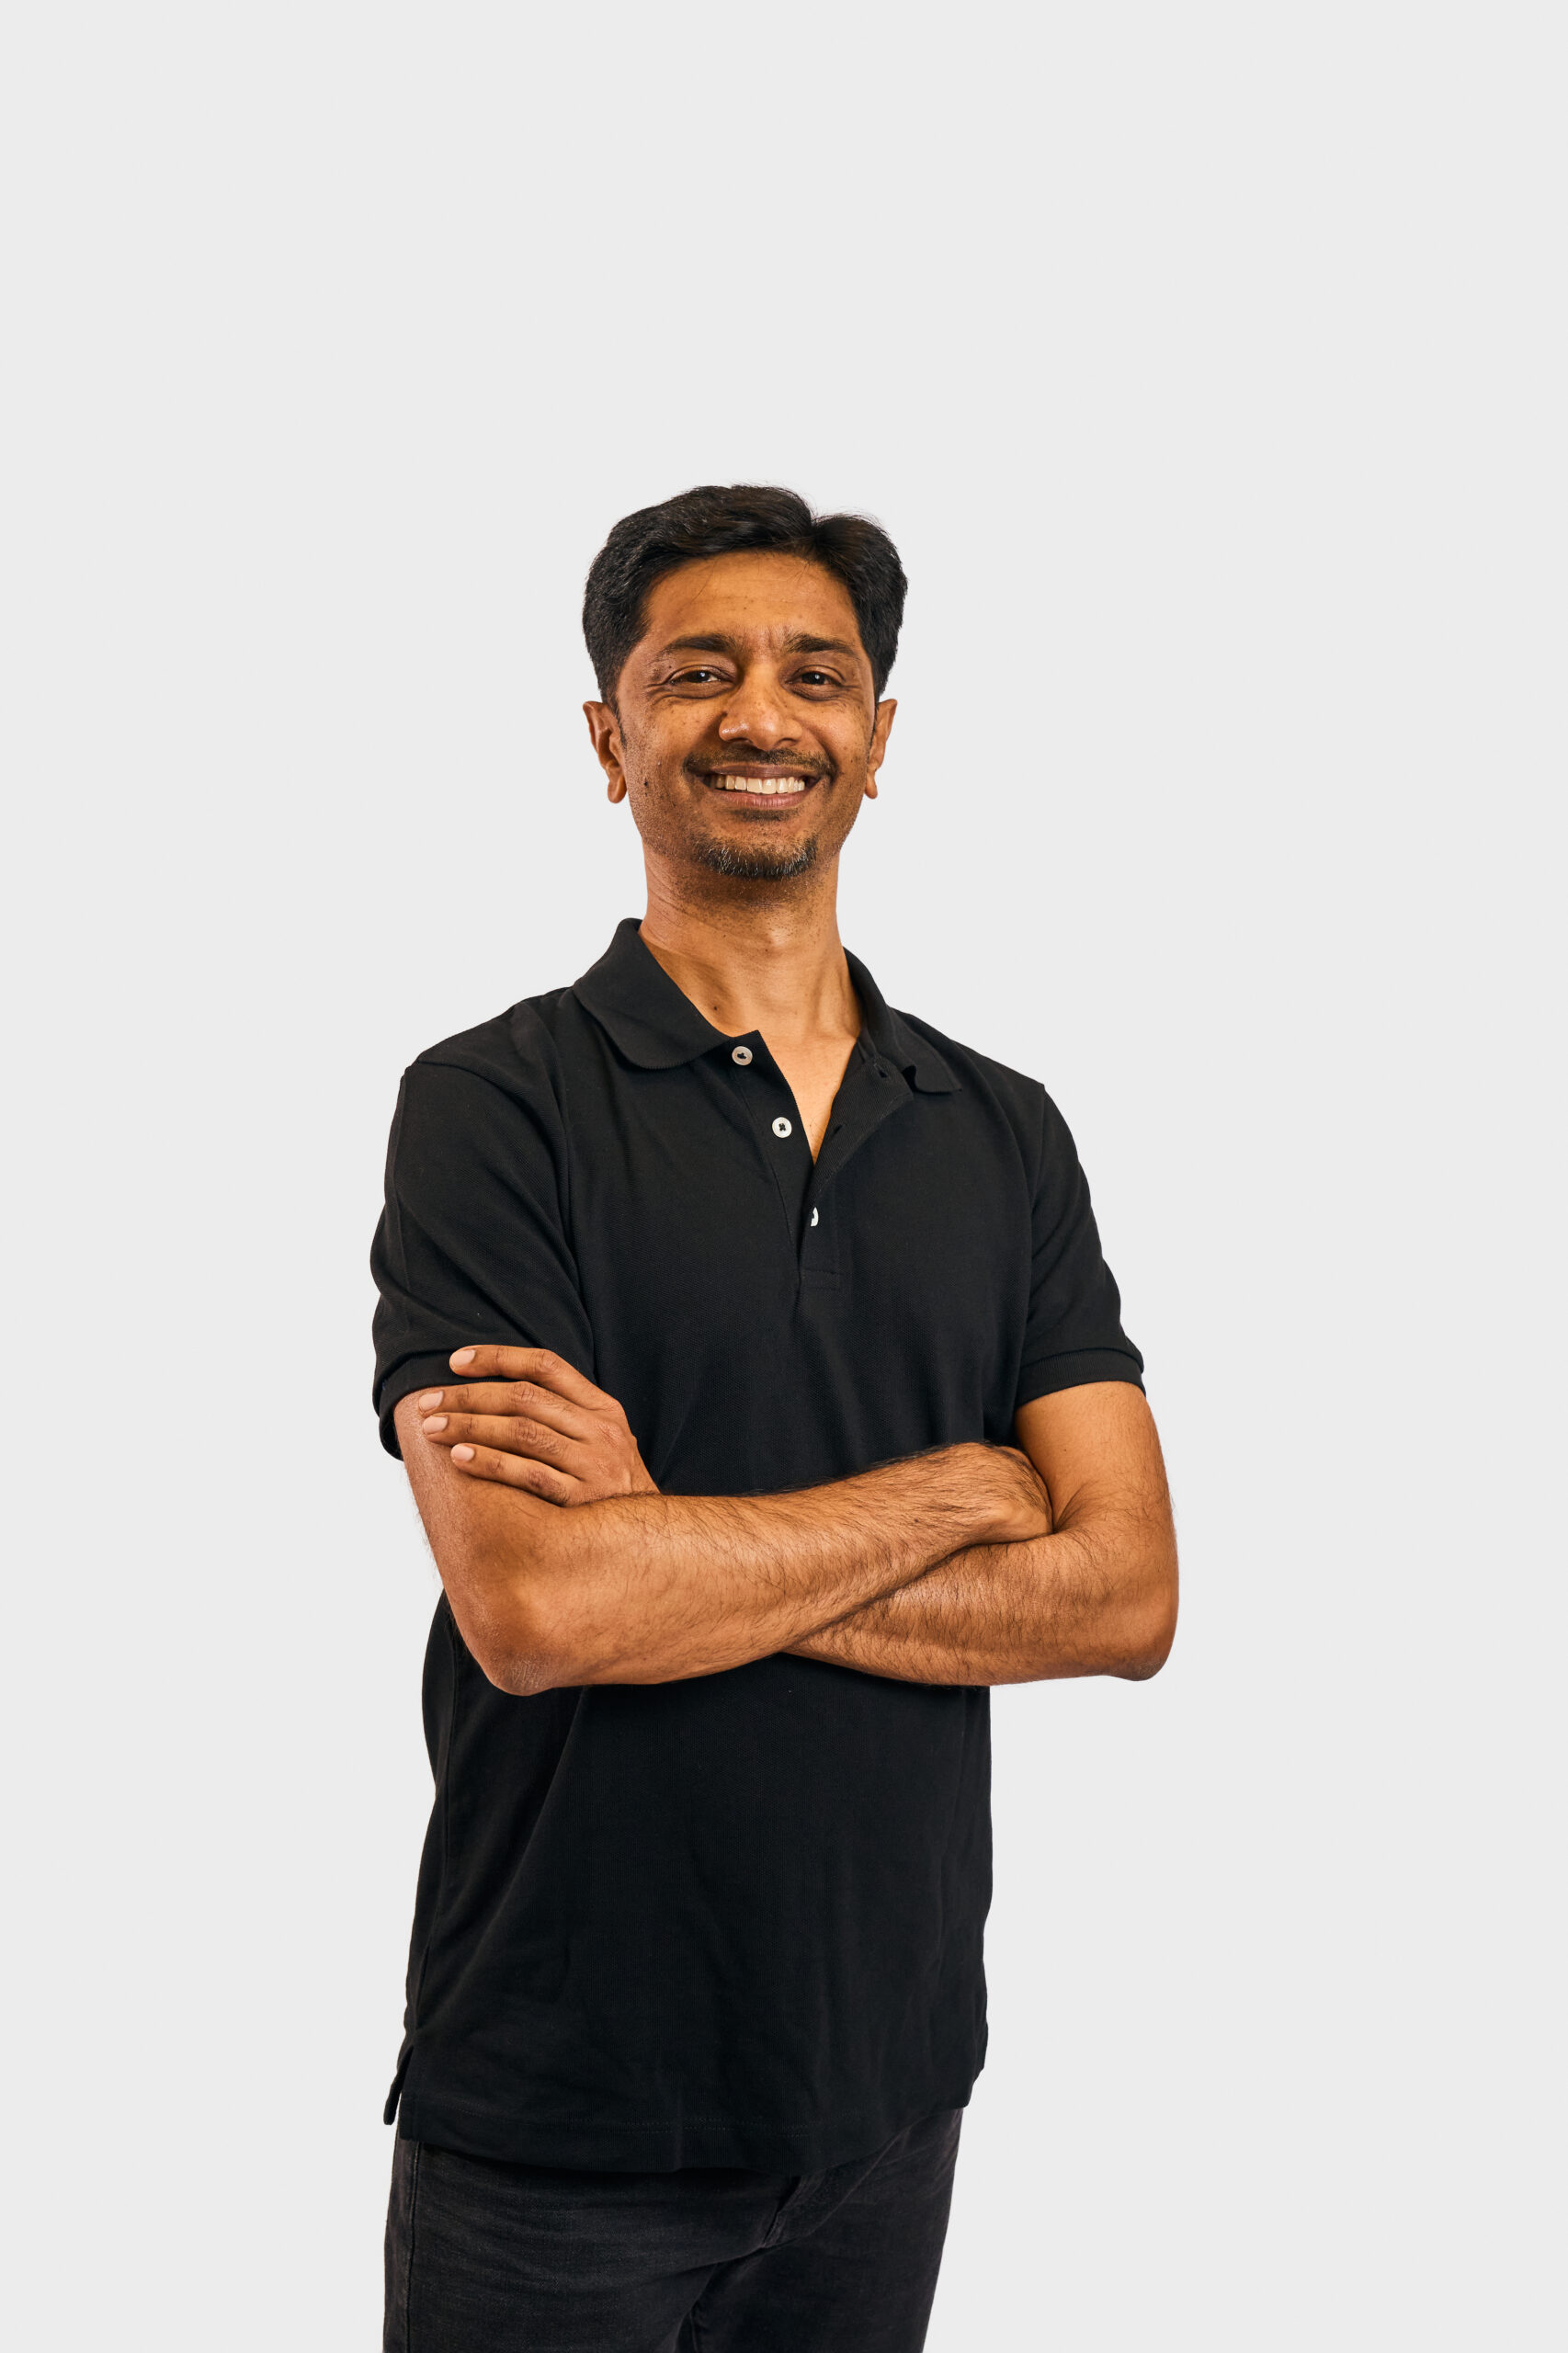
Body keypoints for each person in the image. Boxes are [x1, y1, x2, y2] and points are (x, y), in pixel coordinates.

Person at [370, 483, 1178, 2351]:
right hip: (558, 2097)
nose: (761, 714)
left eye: (815, 676)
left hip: (889, 2086)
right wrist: (962, 1488)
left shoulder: (1001, 1128)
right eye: (697, 673)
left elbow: (1127, 1597)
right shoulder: (492, 1107)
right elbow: (539, 1608)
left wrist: (672, 1535)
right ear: (610, 738)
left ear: (874, 741)